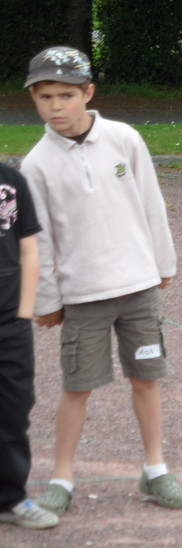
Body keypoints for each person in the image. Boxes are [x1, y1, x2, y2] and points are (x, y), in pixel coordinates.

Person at [20, 46, 182, 516]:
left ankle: (156, 470)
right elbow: (42, 240)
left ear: (88, 93)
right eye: (45, 96)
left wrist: (162, 263)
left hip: (137, 287)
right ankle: (61, 477)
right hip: (83, 295)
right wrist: (48, 300)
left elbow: (151, 203)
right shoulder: (35, 166)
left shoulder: (124, 139)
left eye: (66, 95)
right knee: (77, 387)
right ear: (34, 99)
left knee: (146, 379)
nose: (56, 106)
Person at [0, 162, 59, 529]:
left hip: (10, 323)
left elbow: (29, 250)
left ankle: (10, 498)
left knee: (13, 412)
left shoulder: (12, 180)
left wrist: (23, 315)